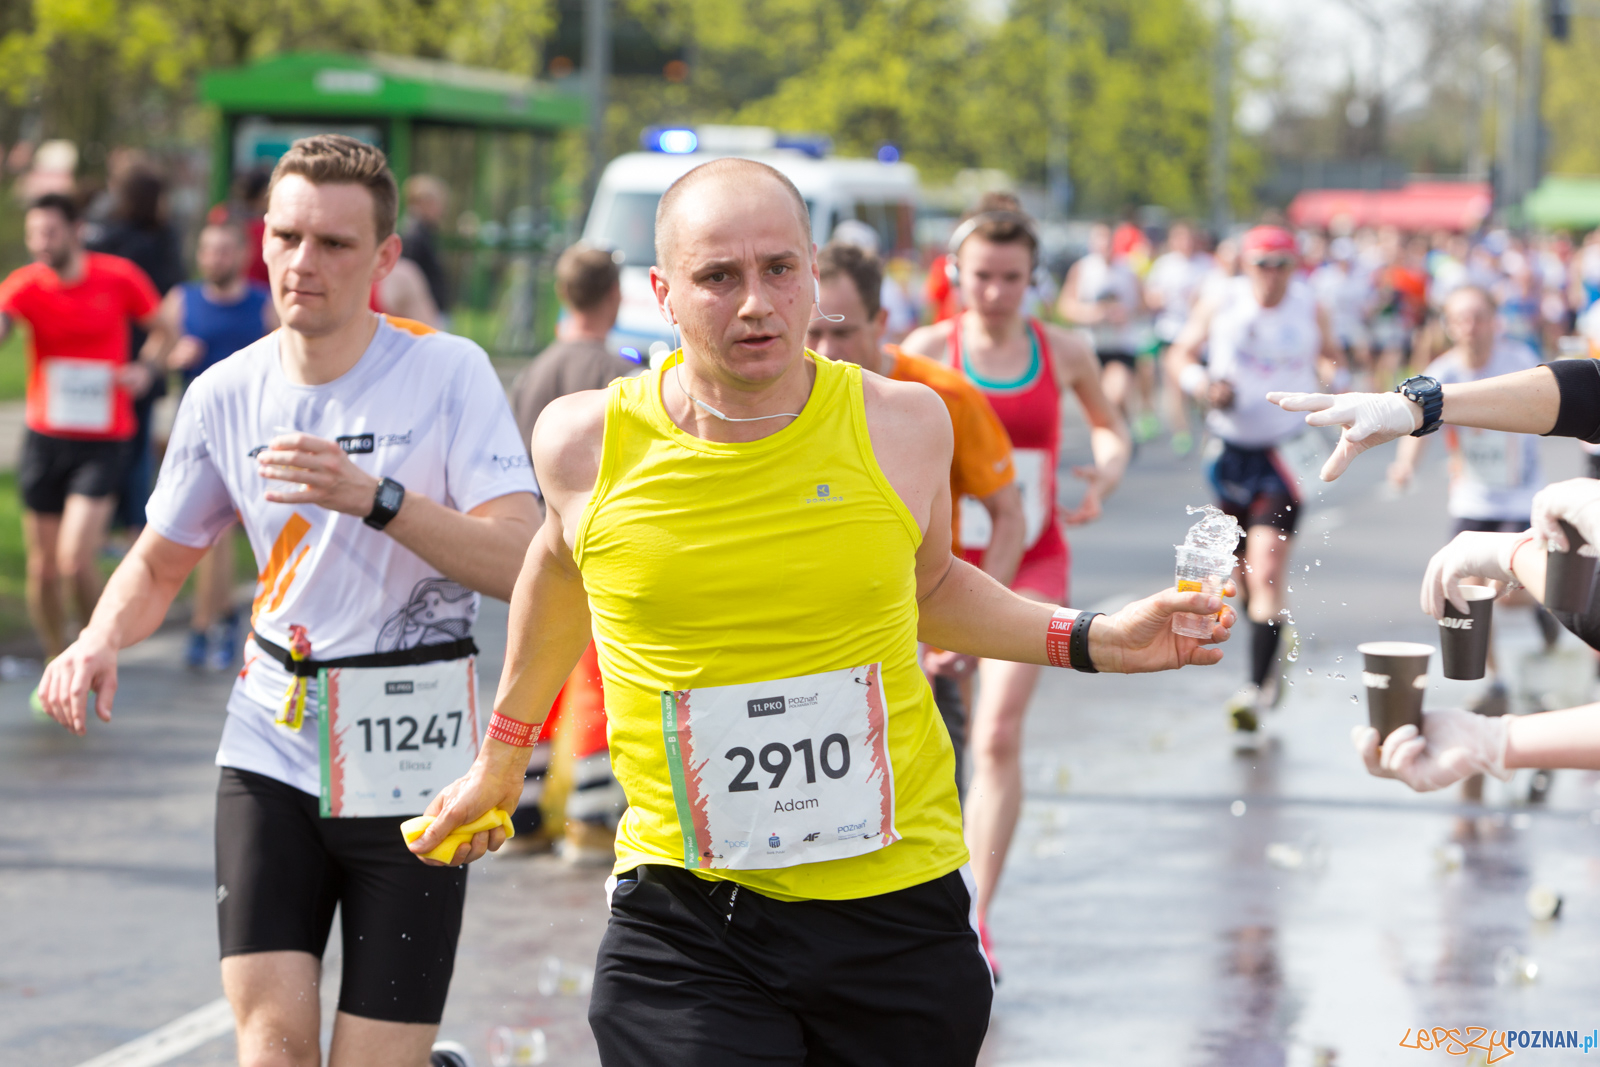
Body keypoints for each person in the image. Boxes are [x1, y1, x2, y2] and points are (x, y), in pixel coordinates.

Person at [406, 157, 1234, 1065]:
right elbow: (558, 570)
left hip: (892, 904)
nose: (755, 303)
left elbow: (933, 590)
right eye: (718, 277)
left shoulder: (903, 424)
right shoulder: (584, 441)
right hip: (688, 909)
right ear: (664, 294)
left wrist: (1094, 638)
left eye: (779, 269)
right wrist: (502, 758)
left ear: (812, 275)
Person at [34, 135, 540, 1067]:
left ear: (386, 258)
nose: (305, 263)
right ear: (262, 238)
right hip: (273, 734)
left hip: (413, 754)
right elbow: (158, 561)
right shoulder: (227, 394)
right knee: (271, 1051)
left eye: (337, 245)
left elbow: (522, 561)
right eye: (290, 236)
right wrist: (96, 638)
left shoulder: (448, 373)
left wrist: (373, 496)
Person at [901, 207, 1130, 961]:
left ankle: (976, 915)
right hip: (938, 566)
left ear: (1033, 279)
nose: (996, 294)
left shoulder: (1062, 348)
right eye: (981, 278)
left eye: (1011, 279)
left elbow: (1108, 425)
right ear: (955, 275)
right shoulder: (926, 351)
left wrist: (1108, 466)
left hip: (1031, 557)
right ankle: (918, 893)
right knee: (933, 734)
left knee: (996, 731)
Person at [808, 239, 1024, 796]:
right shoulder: (774, 405)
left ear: (881, 322)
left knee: (931, 824)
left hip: (918, 647)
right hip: (813, 659)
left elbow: (1008, 513)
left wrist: (971, 630)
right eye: (813, 332)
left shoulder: (941, 397)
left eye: (842, 331)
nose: (826, 349)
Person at [1169, 224, 1341, 728]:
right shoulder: (1220, 300)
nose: (1269, 276)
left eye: (1280, 265)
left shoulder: (1311, 305)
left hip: (1285, 455)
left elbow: (1333, 357)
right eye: (1260, 264)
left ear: (1294, 267)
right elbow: (1179, 355)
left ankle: (1256, 691)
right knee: (1240, 575)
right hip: (1229, 453)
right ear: (1244, 265)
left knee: (1266, 570)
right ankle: (1272, 635)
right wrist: (1203, 385)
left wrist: (1332, 392)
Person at [0, 193, 169, 689]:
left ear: (76, 230)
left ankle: (93, 647)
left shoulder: (117, 277)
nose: (40, 243)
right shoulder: (27, 283)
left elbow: (162, 328)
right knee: (44, 568)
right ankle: (57, 657)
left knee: (75, 560)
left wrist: (146, 368)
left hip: (103, 438)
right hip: (45, 437)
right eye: (34, 234)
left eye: (50, 232)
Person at [506, 241, 640, 862]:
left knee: (538, 673)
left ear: (564, 295)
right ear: (614, 297)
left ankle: (525, 811)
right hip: (595, 549)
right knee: (592, 681)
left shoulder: (533, 372)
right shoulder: (620, 374)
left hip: (535, 542)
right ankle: (590, 816)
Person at [1387, 286, 1560, 720]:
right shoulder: (1441, 371)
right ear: (1448, 325)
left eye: (1478, 317)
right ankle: (1494, 682)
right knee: (1472, 593)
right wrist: (1405, 465)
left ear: (1494, 320)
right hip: (1472, 498)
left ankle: (1542, 601)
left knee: (1500, 594)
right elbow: (1416, 426)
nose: (1470, 327)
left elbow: (1559, 402)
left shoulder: (1519, 362)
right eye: (1460, 318)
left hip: (1520, 496)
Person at [147, 221, 278, 670]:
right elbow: (153, 356)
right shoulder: (182, 300)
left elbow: (291, 360)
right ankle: (214, 622)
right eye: (208, 251)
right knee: (213, 533)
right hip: (197, 433)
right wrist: (171, 357)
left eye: (224, 251)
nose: (215, 259)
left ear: (241, 255)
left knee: (238, 533)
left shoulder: (264, 304)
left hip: (254, 433)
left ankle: (217, 622)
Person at [85, 167, 185, 535]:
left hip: (103, 353)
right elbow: (174, 294)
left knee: (97, 443)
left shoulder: (100, 235)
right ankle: (134, 523)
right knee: (138, 442)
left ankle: (98, 522)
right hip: (146, 351)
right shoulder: (161, 239)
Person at [1058, 222, 1148, 435]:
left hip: (1121, 345)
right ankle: (1122, 429)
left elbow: (1143, 305)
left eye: (1109, 241)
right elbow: (1065, 307)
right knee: (1100, 403)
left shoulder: (1129, 270)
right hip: (1091, 346)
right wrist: (1093, 313)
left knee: (1114, 394)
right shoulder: (1082, 269)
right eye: (1100, 240)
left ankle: (1119, 431)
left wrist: (1125, 313)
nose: (1105, 246)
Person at [1147, 221, 1213, 455]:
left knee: (1203, 385)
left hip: (1199, 335)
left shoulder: (1206, 265)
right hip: (1171, 332)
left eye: (1189, 239)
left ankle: (1209, 431)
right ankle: (1181, 432)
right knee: (1173, 385)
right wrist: (1161, 299)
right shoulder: (1164, 265)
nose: (1185, 244)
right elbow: (1150, 297)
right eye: (1180, 239)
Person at [401, 174, 453, 320]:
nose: (441, 209)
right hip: (423, 313)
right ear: (422, 203)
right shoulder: (414, 236)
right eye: (436, 203)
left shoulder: (426, 233)